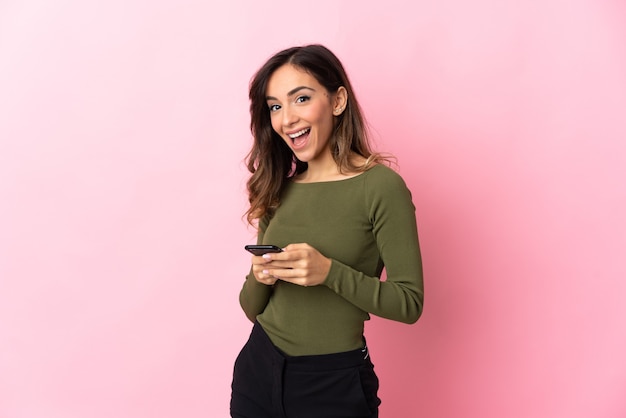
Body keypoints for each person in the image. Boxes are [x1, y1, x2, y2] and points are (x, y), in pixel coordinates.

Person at [230, 44, 424, 418]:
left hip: (331, 381)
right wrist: (261, 275)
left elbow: (409, 303)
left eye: (300, 98)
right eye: (275, 106)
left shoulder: (380, 187)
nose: (287, 119)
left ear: (337, 101)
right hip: (258, 368)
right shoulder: (279, 188)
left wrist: (329, 272)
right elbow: (251, 308)